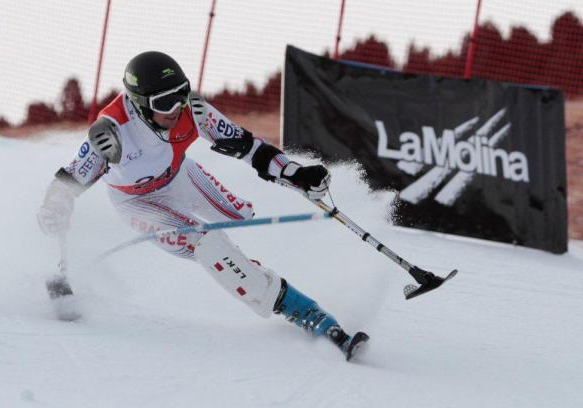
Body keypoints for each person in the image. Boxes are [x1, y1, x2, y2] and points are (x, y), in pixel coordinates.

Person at [37, 51, 368, 360]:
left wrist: (295, 173)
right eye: (165, 102)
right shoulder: (112, 132)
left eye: (182, 93)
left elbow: (248, 146)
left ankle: (243, 268)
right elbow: (67, 184)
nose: (176, 107)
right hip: (137, 202)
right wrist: (54, 225)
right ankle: (298, 309)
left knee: (241, 215)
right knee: (208, 243)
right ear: (139, 104)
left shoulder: (191, 111)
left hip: (180, 177)